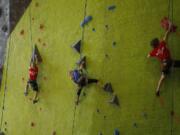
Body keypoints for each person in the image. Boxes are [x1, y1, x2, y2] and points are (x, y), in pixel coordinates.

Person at [147, 23, 180, 96]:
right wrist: (168, 29)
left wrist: (154, 54)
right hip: (169, 62)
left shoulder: (154, 51)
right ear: (158, 42)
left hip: (164, 65)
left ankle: (157, 91)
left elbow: (148, 56)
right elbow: (166, 36)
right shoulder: (162, 44)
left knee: (162, 77)